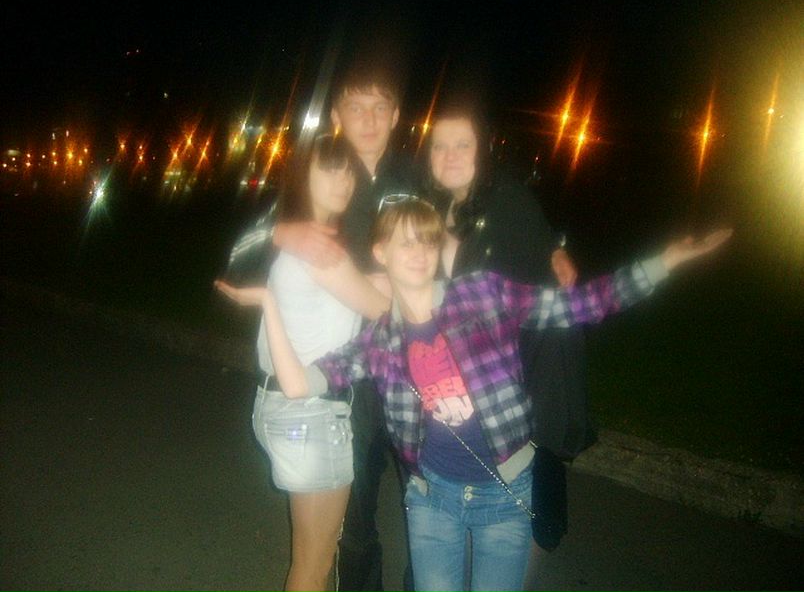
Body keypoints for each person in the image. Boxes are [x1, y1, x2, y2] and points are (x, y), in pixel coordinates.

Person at [219, 200, 732, 592]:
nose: (419, 252)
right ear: (381, 254)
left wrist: (667, 260)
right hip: (431, 501)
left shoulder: (481, 295)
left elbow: (581, 305)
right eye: (405, 243)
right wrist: (269, 305)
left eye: (427, 241)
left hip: (505, 494)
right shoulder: (380, 340)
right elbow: (298, 383)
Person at [223, 60, 417, 592]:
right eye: (355, 107)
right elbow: (235, 256)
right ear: (336, 115)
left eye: (380, 107)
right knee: (345, 531)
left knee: (428, 508)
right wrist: (283, 232)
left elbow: (455, 237)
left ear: (396, 115)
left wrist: (550, 246)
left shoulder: (414, 181)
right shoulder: (313, 197)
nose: (369, 120)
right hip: (338, 387)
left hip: (408, 378)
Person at [424, 101, 586, 550]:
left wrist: (554, 247)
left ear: (483, 150)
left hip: (521, 384)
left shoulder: (507, 200)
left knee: (522, 522)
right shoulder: (429, 210)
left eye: (463, 145)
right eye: (439, 146)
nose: (450, 156)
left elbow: (539, 286)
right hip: (457, 388)